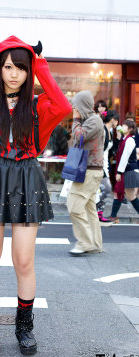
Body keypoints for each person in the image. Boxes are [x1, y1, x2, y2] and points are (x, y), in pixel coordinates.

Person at [0, 35, 72, 355]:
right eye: (7, 67)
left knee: (23, 259)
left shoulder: (38, 107)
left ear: (29, 72)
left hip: (26, 177)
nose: (13, 74)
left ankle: (24, 327)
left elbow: (63, 105)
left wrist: (41, 66)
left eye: (21, 68)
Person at [67, 90, 104, 255]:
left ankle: (85, 242)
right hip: (89, 170)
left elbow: (78, 136)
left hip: (89, 171)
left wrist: (75, 118)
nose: (74, 107)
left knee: (74, 206)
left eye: (76, 104)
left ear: (83, 104)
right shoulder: (90, 120)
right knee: (89, 209)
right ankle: (95, 244)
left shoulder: (94, 121)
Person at [109, 120, 139, 221]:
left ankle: (113, 216)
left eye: (125, 125)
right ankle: (113, 215)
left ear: (130, 129)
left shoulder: (130, 140)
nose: (122, 126)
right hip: (127, 170)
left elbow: (125, 157)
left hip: (129, 171)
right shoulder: (125, 139)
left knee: (130, 195)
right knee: (119, 192)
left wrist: (119, 172)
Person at [96, 110, 119, 225]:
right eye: (117, 120)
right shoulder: (103, 130)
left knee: (103, 189)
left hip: (105, 165)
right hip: (99, 165)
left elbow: (111, 151)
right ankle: (95, 212)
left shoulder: (109, 131)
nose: (118, 123)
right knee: (107, 188)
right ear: (113, 119)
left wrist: (118, 138)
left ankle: (98, 214)